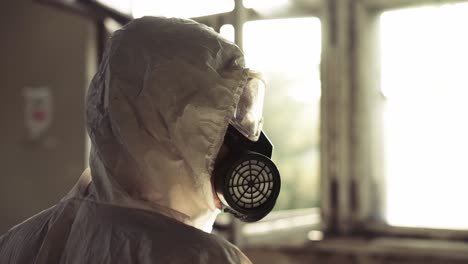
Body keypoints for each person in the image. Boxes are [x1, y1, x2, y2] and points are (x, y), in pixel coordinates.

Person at [0, 16, 280, 263]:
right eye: (222, 123)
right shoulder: (205, 258)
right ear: (173, 134)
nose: (244, 143)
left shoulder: (19, 242)